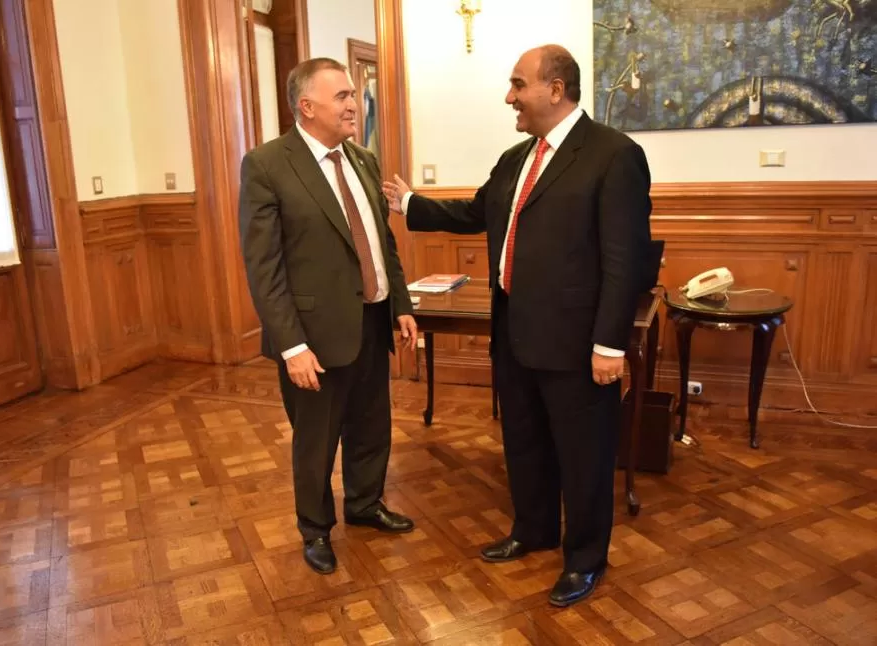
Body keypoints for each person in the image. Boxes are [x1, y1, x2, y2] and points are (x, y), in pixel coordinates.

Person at [382, 44, 654, 606]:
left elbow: (623, 259)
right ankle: (532, 531)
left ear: (556, 89)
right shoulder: (515, 160)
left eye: (517, 85)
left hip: (579, 345)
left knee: (584, 456)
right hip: (516, 336)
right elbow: (474, 213)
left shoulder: (613, 154)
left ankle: (584, 559)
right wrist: (411, 203)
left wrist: (610, 344)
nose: (509, 97)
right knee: (524, 442)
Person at [239, 57, 419, 575]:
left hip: (371, 319)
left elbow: (382, 243)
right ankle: (315, 530)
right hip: (312, 338)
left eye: (353, 94)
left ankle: (364, 505)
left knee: (371, 426)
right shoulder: (268, 165)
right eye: (341, 95)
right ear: (306, 105)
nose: (353, 103)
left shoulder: (362, 158)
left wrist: (400, 304)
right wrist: (291, 346)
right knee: (316, 441)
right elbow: (264, 267)